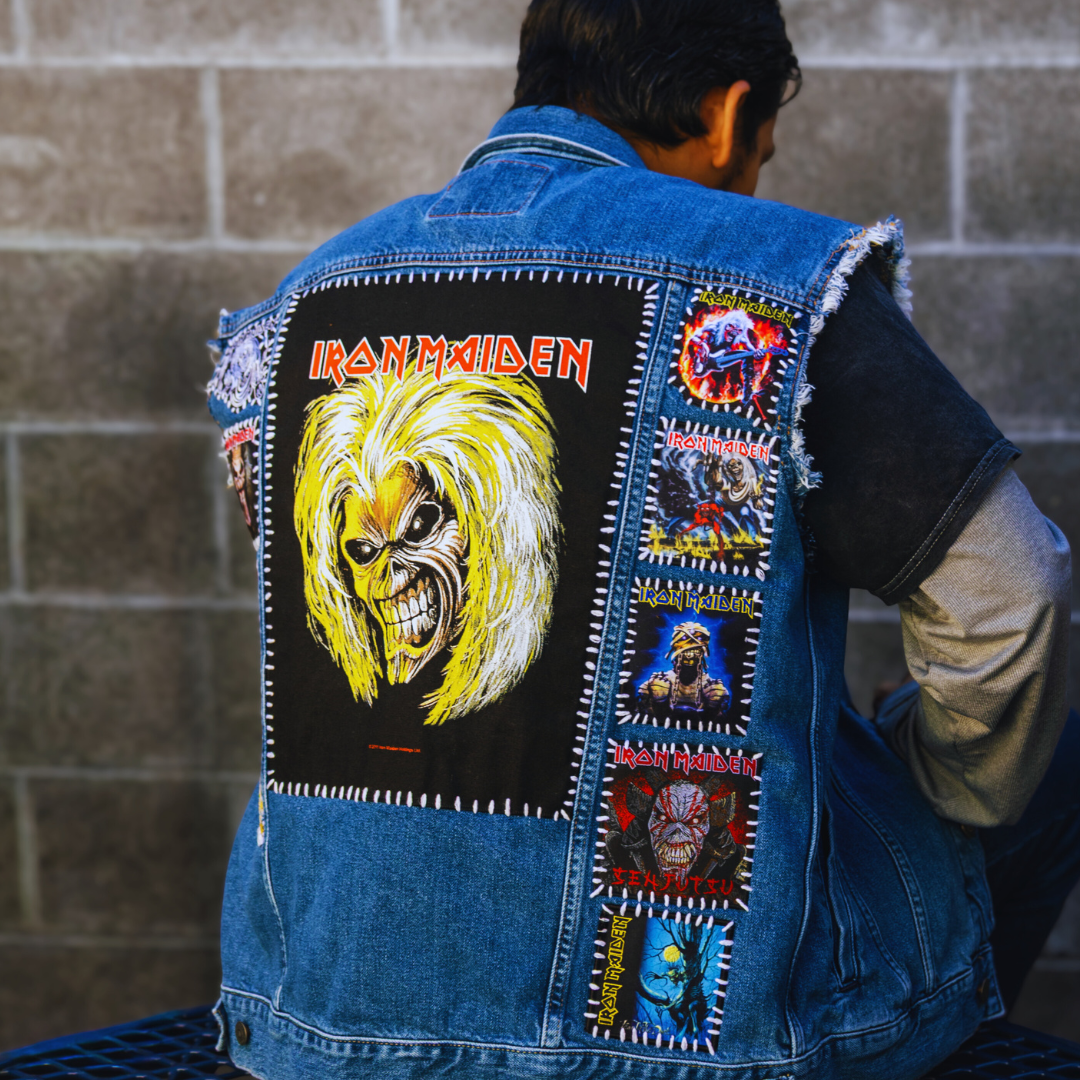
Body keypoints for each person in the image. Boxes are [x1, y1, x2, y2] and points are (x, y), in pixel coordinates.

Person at [204, 1, 1075, 1078]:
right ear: (728, 113)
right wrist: (935, 791)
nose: (751, 179)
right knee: (1030, 744)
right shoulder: (777, 278)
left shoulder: (307, 301)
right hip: (699, 1041)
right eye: (760, 152)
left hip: (313, 1027)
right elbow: (1012, 596)